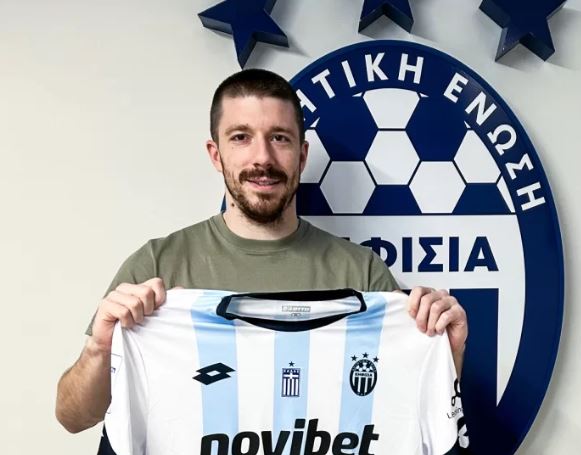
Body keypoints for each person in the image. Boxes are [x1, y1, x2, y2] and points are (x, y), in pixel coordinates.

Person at [55, 68, 468, 435]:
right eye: (241, 137)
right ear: (216, 155)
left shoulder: (362, 273)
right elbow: (74, 417)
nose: (263, 158)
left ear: (301, 156)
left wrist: (446, 352)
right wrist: (100, 348)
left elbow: (413, 414)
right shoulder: (158, 265)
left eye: (279, 138)